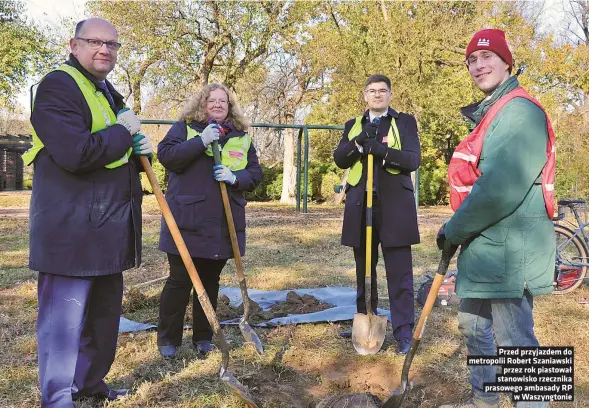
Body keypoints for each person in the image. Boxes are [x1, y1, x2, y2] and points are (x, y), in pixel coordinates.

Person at [24, 18, 152, 407]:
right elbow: (75, 153)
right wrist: (125, 134)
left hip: (107, 228)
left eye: (112, 45)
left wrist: (136, 144)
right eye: (95, 42)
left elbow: (116, 138)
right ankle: (58, 398)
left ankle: (90, 383)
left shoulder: (106, 91)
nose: (105, 50)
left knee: (102, 319)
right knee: (63, 326)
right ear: (73, 44)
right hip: (72, 231)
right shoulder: (57, 86)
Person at [437, 29, 555, 408]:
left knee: (517, 341)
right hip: (486, 248)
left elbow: (500, 187)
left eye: (487, 57)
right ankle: (484, 400)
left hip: (510, 251)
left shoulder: (521, 111)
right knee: (472, 325)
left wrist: (454, 229)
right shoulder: (494, 111)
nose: (478, 65)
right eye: (471, 60)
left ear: (507, 62)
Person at [156, 83, 263, 359]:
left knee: (210, 280)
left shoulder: (241, 136)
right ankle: (169, 338)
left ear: (230, 107)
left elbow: (255, 174)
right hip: (187, 220)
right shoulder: (185, 128)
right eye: (211, 100)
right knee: (179, 280)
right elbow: (166, 156)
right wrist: (201, 141)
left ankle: (204, 336)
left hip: (222, 223)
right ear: (202, 104)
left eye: (223, 101)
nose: (217, 105)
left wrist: (235, 178)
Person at [333, 74, 421, 355]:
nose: (377, 95)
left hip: (395, 207)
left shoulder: (404, 122)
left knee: (399, 273)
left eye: (383, 91)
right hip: (362, 208)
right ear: (365, 95)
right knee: (364, 272)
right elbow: (340, 158)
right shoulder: (353, 125)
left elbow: (412, 159)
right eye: (372, 91)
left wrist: (382, 151)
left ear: (390, 95)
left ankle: (404, 331)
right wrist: (357, 143)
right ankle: (366, 318)